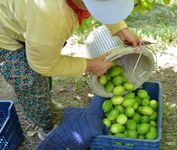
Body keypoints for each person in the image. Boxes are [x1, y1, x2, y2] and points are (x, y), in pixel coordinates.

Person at [0, 0, 139, 140]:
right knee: (31, 82)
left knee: (44, 71)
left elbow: (103, 4)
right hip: (6, 34)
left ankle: (46, 100)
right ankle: (45, 126)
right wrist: (89, 65)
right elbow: (43, 64)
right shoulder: (50, 16)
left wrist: (120, 29)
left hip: (33, 27)